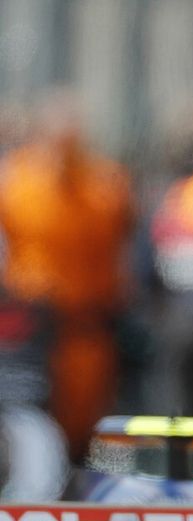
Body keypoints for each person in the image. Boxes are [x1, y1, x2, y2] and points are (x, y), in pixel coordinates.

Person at [0, 94, 132, 461]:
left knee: (86, 429)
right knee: (30, 430)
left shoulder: (105, 186)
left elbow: (124, 247)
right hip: (29, 332)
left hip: (88, 329)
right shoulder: (16, 181)